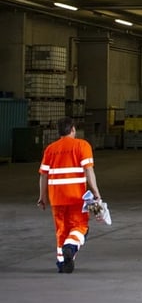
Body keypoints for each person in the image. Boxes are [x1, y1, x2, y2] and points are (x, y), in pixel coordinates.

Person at [37, 117, 102, 273]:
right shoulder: (82, 145)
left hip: (57, 198)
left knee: (62, 230)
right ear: (73, 129)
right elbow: (89, 171)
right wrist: (96, 193)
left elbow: (43, 176)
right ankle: (70, 248)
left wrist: (42, 197)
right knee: (80, 227)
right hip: (76, 197)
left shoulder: (50, 149)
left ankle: (63, 263)